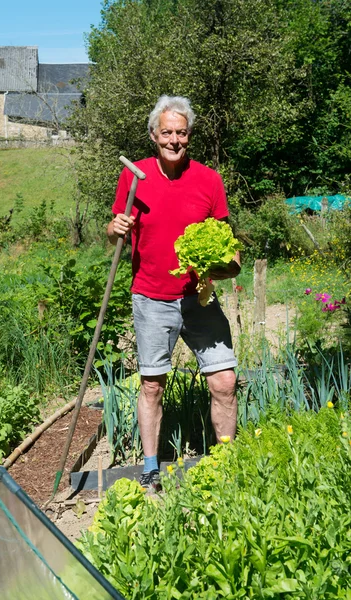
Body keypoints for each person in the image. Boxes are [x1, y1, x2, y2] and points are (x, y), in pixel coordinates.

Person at [107, 95, 240, 490]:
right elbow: (113, 228)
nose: (174, 140)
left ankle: (227, 464)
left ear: (189, 136)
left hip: (199, 296)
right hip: (151, 296)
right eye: (167, 132)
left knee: (225, 381)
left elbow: (226, 242)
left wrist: (227, 265)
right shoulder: (135, 176)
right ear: (154, 135)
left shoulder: (208, 180)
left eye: (181, 133)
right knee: (151, 384)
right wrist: (114, 229)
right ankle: (151, 467)